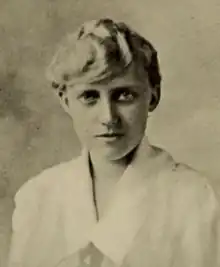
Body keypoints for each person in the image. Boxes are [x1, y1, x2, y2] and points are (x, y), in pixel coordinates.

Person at [7, 18, 220, 267]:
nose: (108, 117)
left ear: (153, 96)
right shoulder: (37, 198)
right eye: (89, 97)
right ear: (66, 101)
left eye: (125, 95)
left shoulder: (195, 198)